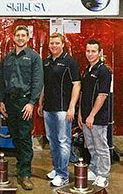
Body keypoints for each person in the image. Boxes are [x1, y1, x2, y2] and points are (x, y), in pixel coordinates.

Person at [0, 25, 43, 190]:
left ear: (28, 37)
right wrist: (1, 101)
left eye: (23, 35)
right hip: (10, 103)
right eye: (18, 35)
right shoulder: (8, 57)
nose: (20, 38)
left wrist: (32, 103)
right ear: (13, 37)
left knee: (24, 138)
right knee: (15, 136)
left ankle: (25, 174)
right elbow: (2, 81)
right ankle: (20, 164)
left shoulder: (34, 57)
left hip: (25, 103)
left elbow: (38, 81)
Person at [38, 33, 81, 187]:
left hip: (63, 110)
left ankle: (63, 175)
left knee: (63, 141)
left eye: (57, 43)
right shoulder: (47, 62)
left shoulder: (70, 62)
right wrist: (40, 102)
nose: (54, 46)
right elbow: (44, 84)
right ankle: (57, 169)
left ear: (63, 44)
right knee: (52, 140)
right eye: (51, 43)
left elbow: (77, 84)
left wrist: (71, 107)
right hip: (48, 108)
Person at [78, 39, 112, 188]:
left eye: (93, 51)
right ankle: (94, 168)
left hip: (97, 118)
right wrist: (80, 113)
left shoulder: (104, 71)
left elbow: (103, 95)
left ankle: (103, 175)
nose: (90, 54)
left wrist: (92, 115)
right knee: (90, 146)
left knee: (101, 147)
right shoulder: (87, 70)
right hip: (85, 116)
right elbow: (83, 93)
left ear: (100, 52)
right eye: (88, 51)